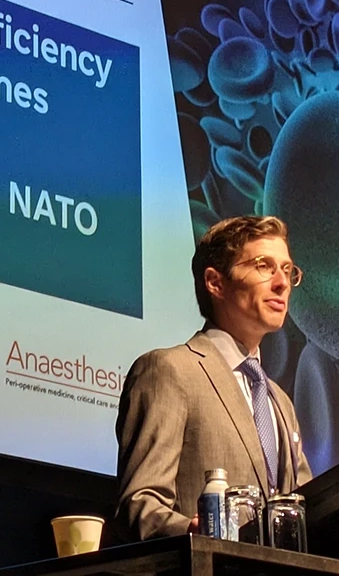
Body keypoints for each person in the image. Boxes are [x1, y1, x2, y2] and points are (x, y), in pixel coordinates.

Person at [114, 215, 313, 541]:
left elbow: (311, 508)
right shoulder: (170, 371)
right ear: (215, 282)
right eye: (264, 266)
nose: (282, 283)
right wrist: (197, 533)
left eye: (288, 270)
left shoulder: (280, 402)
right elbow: (141, 505)